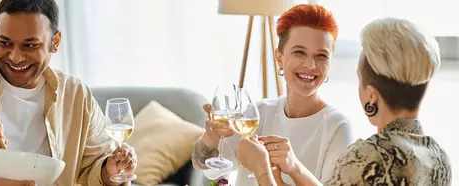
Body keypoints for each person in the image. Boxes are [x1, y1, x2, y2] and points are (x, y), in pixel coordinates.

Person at [0, 0, 137, 185]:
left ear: (55, 42)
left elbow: (96, 168)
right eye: (4, 43)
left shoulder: (76, 95)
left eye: (29, 46)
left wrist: (111, 170)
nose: (15, 57)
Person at [238, 18, 453, 186]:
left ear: (371, 95)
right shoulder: (440, 158)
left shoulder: (369, 157)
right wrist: (294, 168)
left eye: (359, 78)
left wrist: (262, 170)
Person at [191, 4, 354, 185]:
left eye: (321, 56)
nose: (310, 65)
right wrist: (211, 138)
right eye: (299, 52)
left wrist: (294, 167)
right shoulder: (258, 113)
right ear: (279, 59)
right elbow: (202, 164)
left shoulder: (337, 126)